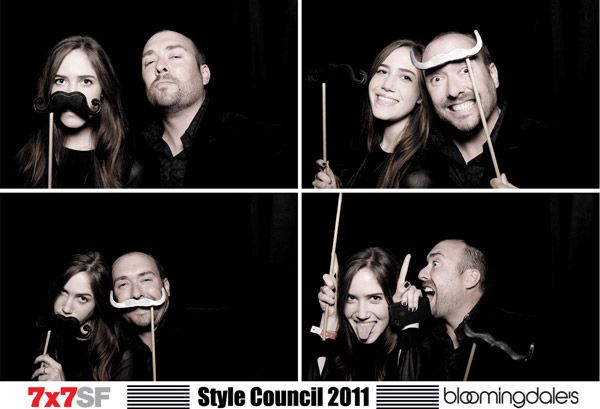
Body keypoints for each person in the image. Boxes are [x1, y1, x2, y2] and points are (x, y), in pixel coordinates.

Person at [416, 31, 588, 188]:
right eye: (437, 79)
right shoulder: (416, 159)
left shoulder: (562, 151)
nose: (453, 91)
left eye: (465, 70)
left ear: (494, 75)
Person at [137, 29, 289, 188]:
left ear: (204, 74)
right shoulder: (131, 154)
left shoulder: (261, 142)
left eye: (175, 56)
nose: (160, 66)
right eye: (149, 62)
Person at [393, 239, 539, 380]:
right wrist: (405, 318)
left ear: (470, 278)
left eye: (435, 263)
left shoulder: (517, 337)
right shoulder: (426, 342)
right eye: (427, 264)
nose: (421, 274)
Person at [16, 36, 141, 188]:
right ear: (49, 88)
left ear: (103, 90)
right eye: (60, 81)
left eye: (86, 82)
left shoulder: (129, 171)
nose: (70, 93)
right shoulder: (27, 161)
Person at [312, 39, 433, 189]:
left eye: (405, 77)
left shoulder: (419, 177)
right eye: (382, 71)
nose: (387, 85)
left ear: (421, 95)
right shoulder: (360, 149)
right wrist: (337, 191)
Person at [307, 247, 414, 380]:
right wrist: (329, 322)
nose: (362, 314)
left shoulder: (417, 349)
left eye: (375, 298)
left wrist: (407, 322)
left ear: (393, 298)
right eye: (351, 298)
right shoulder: (339, 354)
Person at [31, 251, 130, 381]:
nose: (66, 308)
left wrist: (62, 390)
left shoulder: (120, 357)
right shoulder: (40, 337)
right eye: (63, 292)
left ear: (98, 304)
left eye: (82, 298)